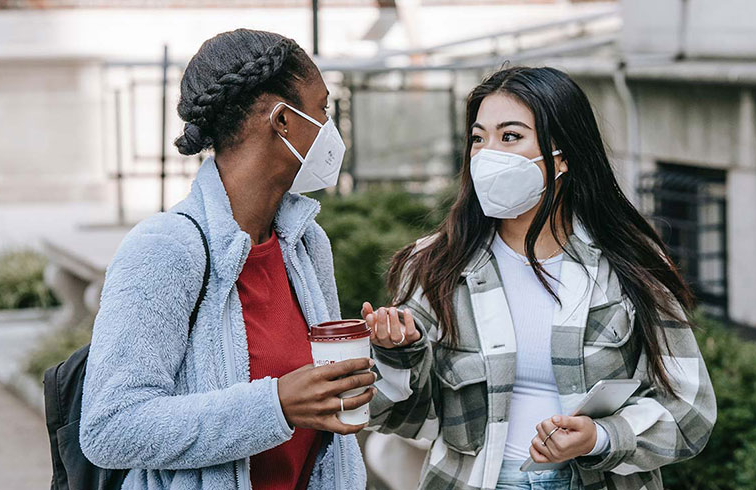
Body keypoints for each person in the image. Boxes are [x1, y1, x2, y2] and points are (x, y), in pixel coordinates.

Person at [363, 66, 717, 490]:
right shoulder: (437, 265)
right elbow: (401, 418)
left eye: (509, 136)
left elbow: (690, 410)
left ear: (562, 154)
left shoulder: (630, 264)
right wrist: (397, 355)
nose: (487, 154)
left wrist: (600, 437)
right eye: (478, 138)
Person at [80, 29, 374, 490]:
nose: (330, 128)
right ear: (282, 120)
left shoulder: (307, 242)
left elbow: (323, 399)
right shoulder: (164, 248)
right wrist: (273, 406)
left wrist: (386, 357)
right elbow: (110, 428)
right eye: (323, 110)